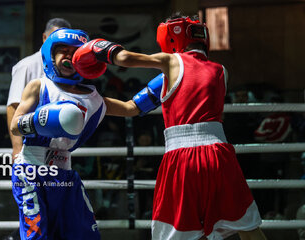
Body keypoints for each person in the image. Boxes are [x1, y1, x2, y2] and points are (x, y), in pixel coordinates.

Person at [72, 13, 267, 240]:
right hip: (219, 155)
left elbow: (124, 61)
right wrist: (88, 100)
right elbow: (133, 106)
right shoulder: (220, 70)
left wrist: (99, 47)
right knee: (247, 226)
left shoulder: (171, 62)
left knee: (181, 233)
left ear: (172, 36)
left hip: (182, 157)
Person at [9, 28, 141, 240]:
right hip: (30, 171)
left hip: (65, 174)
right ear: (50, 55)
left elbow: (131, 108)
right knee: (37, 236)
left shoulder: (93, 97)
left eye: (76, 52)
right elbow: (15, 125)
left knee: (83, 234)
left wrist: (167, 76)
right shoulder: (40, 86)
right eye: (63, 50)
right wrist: (41, 120)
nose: (69, 56)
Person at [7, 18, 72, 158]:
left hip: (59, 146)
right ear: (44, 38)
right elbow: (13, 106)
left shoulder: (68, 68)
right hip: (30, 144)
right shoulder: (27, 66)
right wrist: (17, 147)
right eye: (54, 39)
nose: (58, 45)